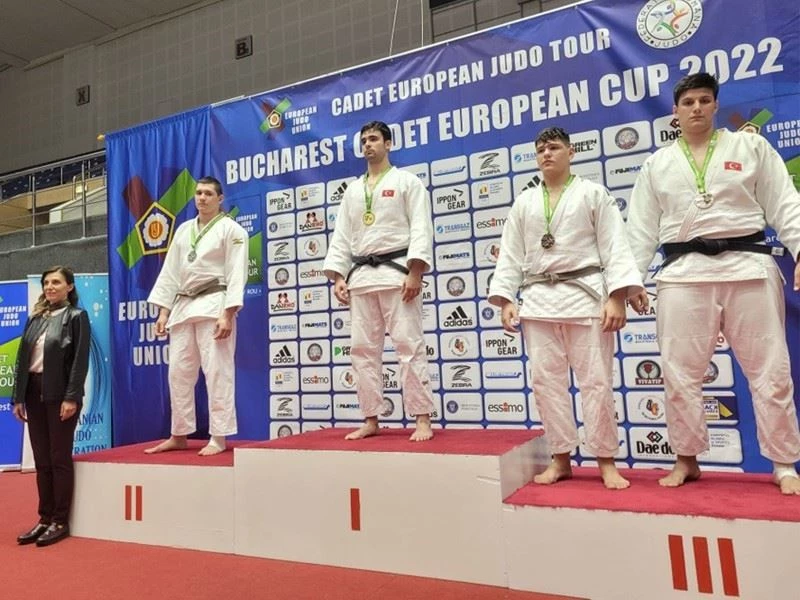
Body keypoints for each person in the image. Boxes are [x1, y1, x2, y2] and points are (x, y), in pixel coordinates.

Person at [627, 72, 800, 494]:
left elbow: (785, 202)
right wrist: (629, 280)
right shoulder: (657, 164)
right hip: (683, 274)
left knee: (771, 371)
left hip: (748, 266)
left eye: (705, 100)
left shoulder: (750, 147)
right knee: (679, 374)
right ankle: (686, 459)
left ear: (716, 105)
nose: (697, 108)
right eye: (688, 102)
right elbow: (641, 228)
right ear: (675, 111)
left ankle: (784, 463)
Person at [488, 127, 643, 489]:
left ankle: (606, 461)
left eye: (554, 147)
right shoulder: (525, 202)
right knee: (546, 383)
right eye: (541, 149)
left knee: (597, 383)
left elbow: (615, 246)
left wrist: (617, 295)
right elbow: (510, 254)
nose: (547, 153)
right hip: (538, 300)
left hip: (585, 297)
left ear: (571, 152)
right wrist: (507, 298)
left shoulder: (593, 194)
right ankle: (560, 459)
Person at [323, 121, 436, 442]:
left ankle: (422, 419)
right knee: (362, 351)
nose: (367, 145)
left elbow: (421, 228)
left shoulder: (407, 182)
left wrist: (415, 271)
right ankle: (371, 418)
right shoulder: (353, 191)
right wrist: (339, 275)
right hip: (361, 278)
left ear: (388, 144)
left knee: (409, 346)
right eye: (364, 141)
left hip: (397, 274)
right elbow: (342, 236)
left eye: (374, 139)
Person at [145, 176, 248, 456]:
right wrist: (163, 312)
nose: (201, 198)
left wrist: (228, 314)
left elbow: (237, 273)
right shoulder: (183, 230)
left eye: (208, 194)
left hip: (214, 304)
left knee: (217, 372)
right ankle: (179, 434)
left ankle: (218, 436)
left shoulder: (232, 230)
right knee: (178, 373)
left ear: (220, 198)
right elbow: (171, 273)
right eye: (198, 193)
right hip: (183, 307)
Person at [12, 266, 90, 546]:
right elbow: (22, 359)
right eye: (46, 282)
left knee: (58, 458)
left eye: (56, 282)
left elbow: (80, 361)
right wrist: (18, 398)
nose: (50, 287)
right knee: (42, 459)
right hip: (33, 393)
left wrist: (71, 397)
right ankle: (44, 518)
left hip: (60, 394)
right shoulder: (35, 318)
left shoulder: (76, 317)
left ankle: (60, 520)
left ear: (70, 286)